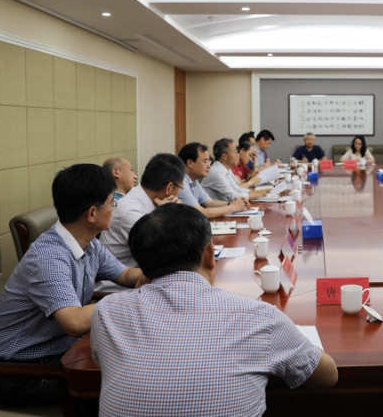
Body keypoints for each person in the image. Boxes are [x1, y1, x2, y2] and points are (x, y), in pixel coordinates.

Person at [91, 203, 339, 416]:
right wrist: (295, 338)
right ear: (210, 255)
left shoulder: (106, 313)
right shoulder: (260, 318)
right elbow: (328, 376)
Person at [0, 164, 145, 407]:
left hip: (60, 353)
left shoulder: (88, 243)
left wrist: (162, 271)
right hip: (22, 374)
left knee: (135, 360)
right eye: (111, 203)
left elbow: (126, 275)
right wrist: (128, 301)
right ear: (92, 213)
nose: (114, 209)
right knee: (128, 383)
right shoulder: (49, 257)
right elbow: (74, 322)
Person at [97, 153, 185, 292]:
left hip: (144, 281)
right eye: (180, 187)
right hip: (118, 291)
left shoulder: (143, 200)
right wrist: (170, 214)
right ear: (169, 188)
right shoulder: (130, 212)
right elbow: (166, 254)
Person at [177, 142, 247, 218]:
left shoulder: (194, 180)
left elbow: (210, 203)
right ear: (190, 163)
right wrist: (233, 207)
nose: (208, 166)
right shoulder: (181, 182)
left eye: (209, 162)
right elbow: (200, 212)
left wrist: (232, 204)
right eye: (205, 162)